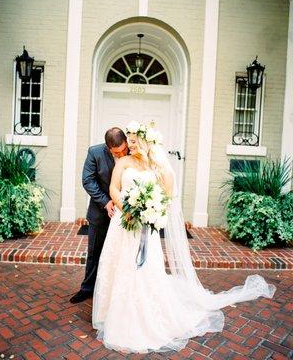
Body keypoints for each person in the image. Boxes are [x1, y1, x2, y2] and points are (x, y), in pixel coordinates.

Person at [92, 120, 276, 353]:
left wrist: (151, 211)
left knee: (145, 271)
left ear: (146, 144)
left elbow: (166, 196)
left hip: (144, 226)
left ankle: (147, 316)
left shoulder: (157, 168)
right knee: (119, 266)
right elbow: (114, 189)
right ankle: (113, 314)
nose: (131, 147)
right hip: (123, 224)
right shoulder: (124, 162)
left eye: (135, 143)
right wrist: (126, 209)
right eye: (130, 143)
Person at [70, 127, 128, 304]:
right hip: (100, 212)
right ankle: (87, 288)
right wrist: (106, 202)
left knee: (122, 254)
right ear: (108, 147)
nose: (121, 154)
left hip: (126, 215)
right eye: (117, 152)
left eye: (123, 149)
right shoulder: (94, 152)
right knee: (94, 252)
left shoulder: (133, 152)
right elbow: (88, 180)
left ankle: (118, 291)